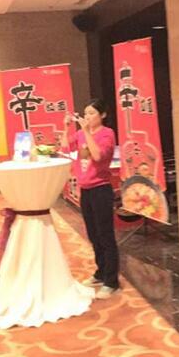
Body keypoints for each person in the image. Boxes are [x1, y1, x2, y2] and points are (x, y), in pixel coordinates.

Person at [60, 100, 120, 299]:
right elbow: (64, 147)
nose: (87, 116)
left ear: (102, 115)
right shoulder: (80, 134)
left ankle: (111, 281)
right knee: (93, 235)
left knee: (105, 235)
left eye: (92, 113)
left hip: (101, 189)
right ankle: (101, 273)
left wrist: (86, 132)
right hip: (85, 190)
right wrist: (66, 126)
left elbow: (98, 156)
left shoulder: (107, 133)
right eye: (85, 113)